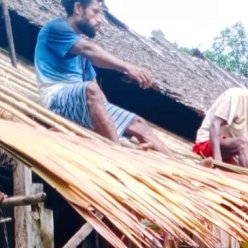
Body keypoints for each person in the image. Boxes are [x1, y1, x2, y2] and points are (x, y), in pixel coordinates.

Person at [34, 0, 172, 155]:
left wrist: (111, 120)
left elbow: (96, 92)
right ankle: (119, 154)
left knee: (138, 123)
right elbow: (90, 51)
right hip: (55, 99)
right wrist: (127, 68)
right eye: (95, 12)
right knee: (90, 89)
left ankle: (177, 168)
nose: (100, 19)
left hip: (81, 101)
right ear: (78, 8)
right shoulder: (56, 28)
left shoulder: (82, 54)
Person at [193, 75, 248, 172]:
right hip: (208, 146)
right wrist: (218, 162)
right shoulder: (235, 96)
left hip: (237, 155)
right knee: (242, 143)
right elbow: (215, 125)